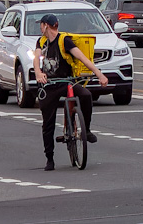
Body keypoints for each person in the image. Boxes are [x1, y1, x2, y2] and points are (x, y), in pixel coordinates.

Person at [34, 14, 108, 171]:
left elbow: (83, 58)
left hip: (66, 82)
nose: (40, 28)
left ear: (46, 25)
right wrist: (39, 73)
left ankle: (86, 129)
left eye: (40, 25)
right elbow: (36, 58)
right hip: (48, 86)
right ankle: (49, 159)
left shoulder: (64, 41)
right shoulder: (41, 41)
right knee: (48, 124)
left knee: (86, 95)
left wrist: (99, 74)